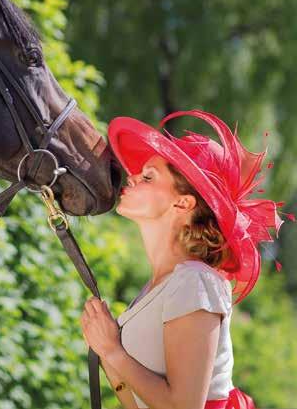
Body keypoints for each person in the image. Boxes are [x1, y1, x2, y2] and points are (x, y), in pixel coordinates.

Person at [80, 110, 293, 409]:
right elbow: (137, 402)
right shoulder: (158, 288)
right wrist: (105, 350)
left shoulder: (195, 281)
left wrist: (113, 351)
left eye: (148, 176)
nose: (132, 176)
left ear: (183, 202)